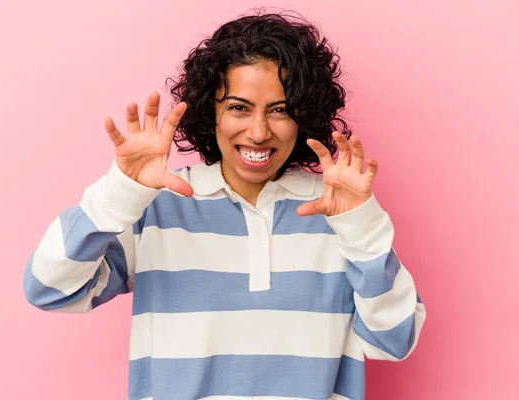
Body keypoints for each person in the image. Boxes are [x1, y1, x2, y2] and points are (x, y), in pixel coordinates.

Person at [23, 11, 426, 400]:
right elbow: (50, 290)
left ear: (304, 114)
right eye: (238, 107)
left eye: (280, 110)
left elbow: (395, 342)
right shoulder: (159, 207)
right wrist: (119, 191)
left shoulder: (338, 211)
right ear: (209, 111)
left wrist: (362, 227)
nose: (258, 131)